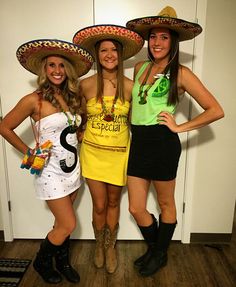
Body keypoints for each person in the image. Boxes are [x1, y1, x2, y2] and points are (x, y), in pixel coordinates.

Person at [125, 6, 224, 277]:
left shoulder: (181, 73)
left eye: (164, 37)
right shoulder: (138, 68)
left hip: (162, 143)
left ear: (173, 42)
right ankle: (158, 248)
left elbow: (215, 109)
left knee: (166, 204)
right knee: (136, 207)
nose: (157, 42)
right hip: (139, 142)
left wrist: (180, 127)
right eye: (153, 37)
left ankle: (158, 253)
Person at [0, 39, 93, 284]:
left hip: (73, 169)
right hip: (50, 172)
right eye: (51, 65)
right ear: (44, 69)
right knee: (69, 223)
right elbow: (4, 127)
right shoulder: (34, 100)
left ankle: (62, 262)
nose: (57, 70)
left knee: (62, 222)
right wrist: (28, 152)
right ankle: (42, 261)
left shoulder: (70, 97)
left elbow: (73, 129)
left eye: (62, 66)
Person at [72, 25, 144, 273]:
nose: (109, 54)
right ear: (97, 54)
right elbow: (78, 116)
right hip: (92, 153)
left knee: (114, 202)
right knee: (99, 204)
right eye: (104, 50)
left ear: (121, 54)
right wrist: (78, 131)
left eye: (114, 50)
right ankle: (98, 245)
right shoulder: (86, 84)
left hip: (119, 154)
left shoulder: (130, 86)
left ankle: (110, 246)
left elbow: (137, 120)